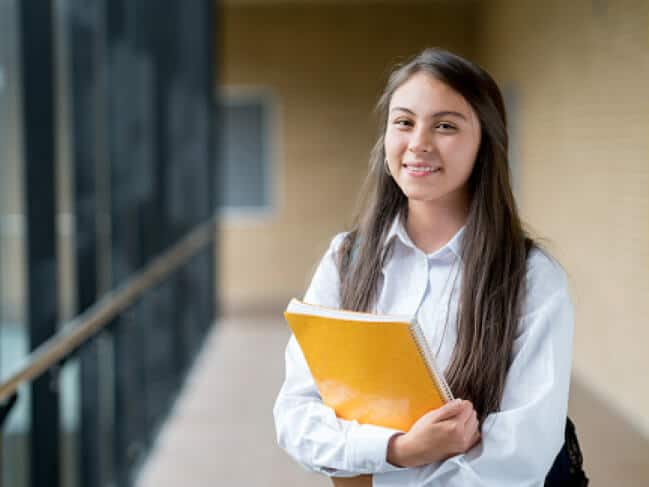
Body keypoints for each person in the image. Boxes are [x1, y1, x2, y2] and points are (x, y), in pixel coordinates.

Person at [273, 47, 574, 486]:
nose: (419, 144)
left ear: (486, 142)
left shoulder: (531, 277)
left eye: (446, 126)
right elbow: (296, 415)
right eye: (404, 122)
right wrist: (400, 450)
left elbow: (521, 452)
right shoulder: (346, 260)